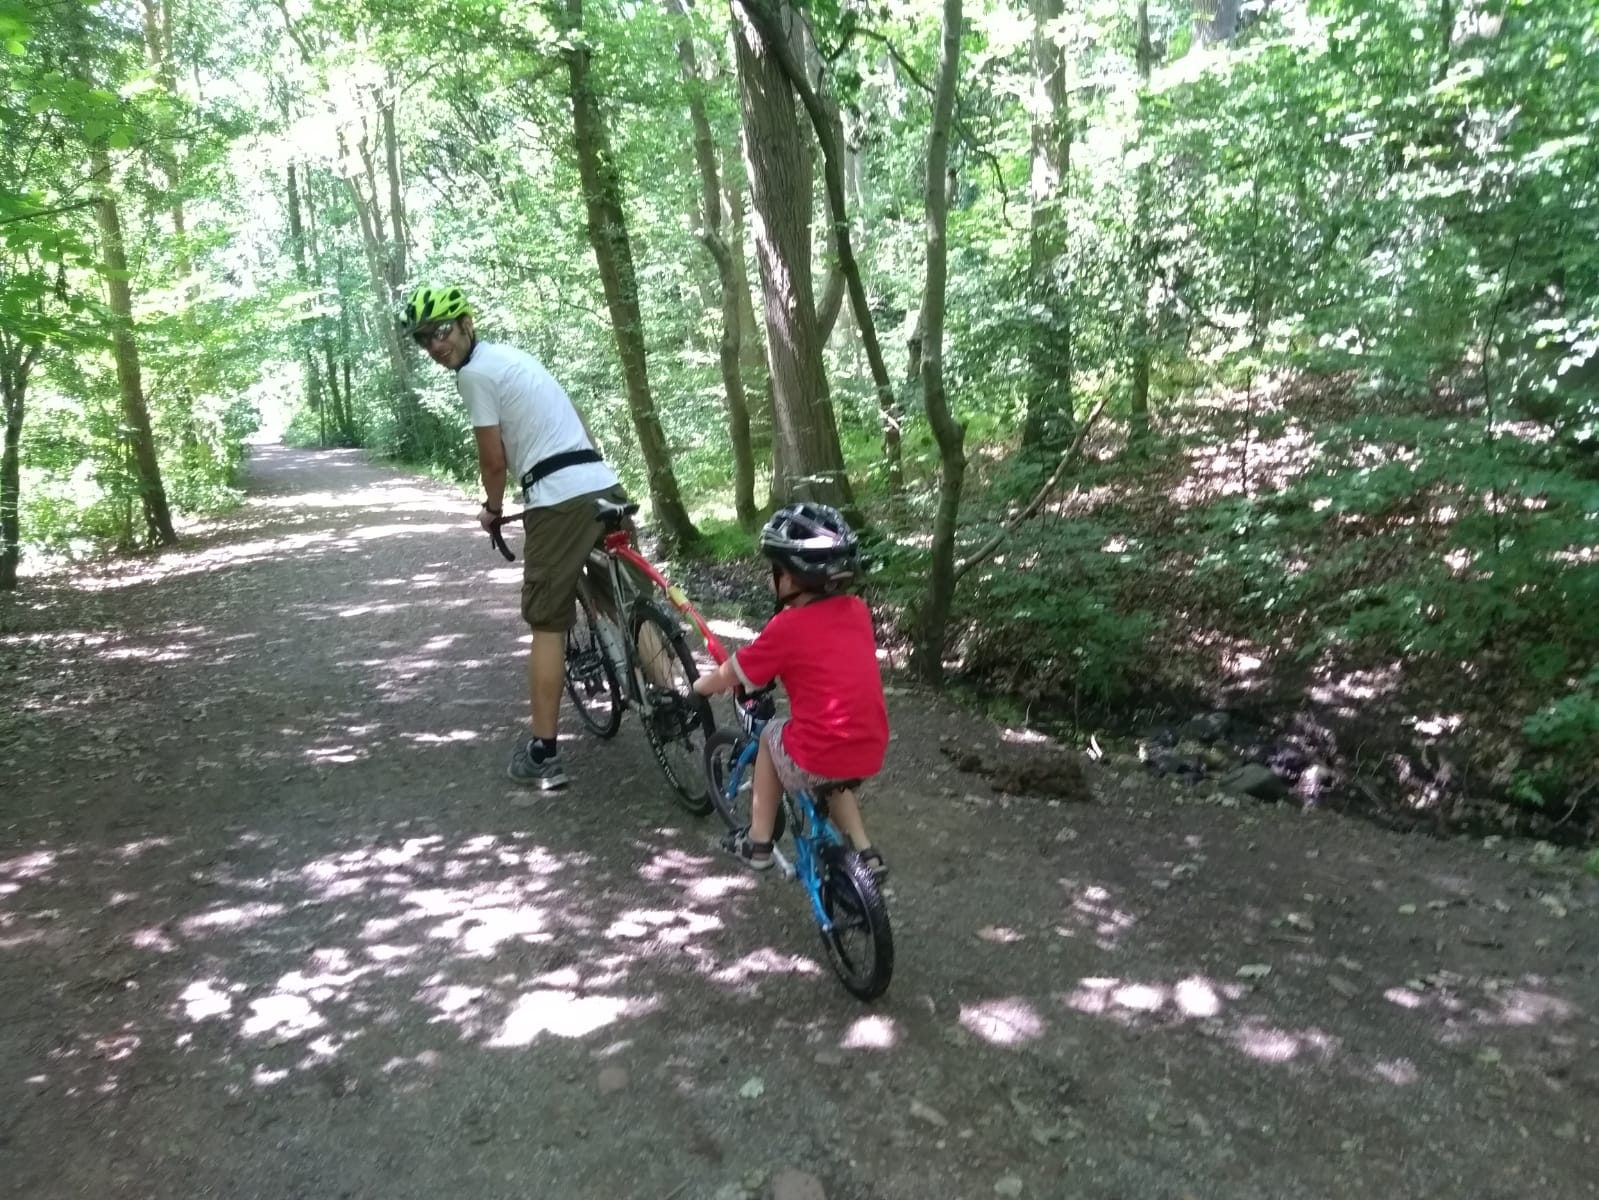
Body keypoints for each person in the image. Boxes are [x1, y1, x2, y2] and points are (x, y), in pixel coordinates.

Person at [404, 284, 626, 792]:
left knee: (546, 622)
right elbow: (576, 418)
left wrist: (493, 509)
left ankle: (544, 753)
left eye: (441, 330)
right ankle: (680, 701)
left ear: (465, 323)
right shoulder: (514, 356)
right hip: (603, 483)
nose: (436, 345)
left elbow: (494, 459)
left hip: (557, 499)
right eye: (424, 340)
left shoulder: (475, 374)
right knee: (624, 601)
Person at [692, 503, 890, 879]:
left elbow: (736, 671)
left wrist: (702, 686)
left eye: (776, 570)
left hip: (818, 751)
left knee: (770, 736)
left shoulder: (786, 627)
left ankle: (758, 843)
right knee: (832, 768)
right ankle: (865, 850)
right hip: (869, 743)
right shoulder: (858, 611)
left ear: (789, 578)